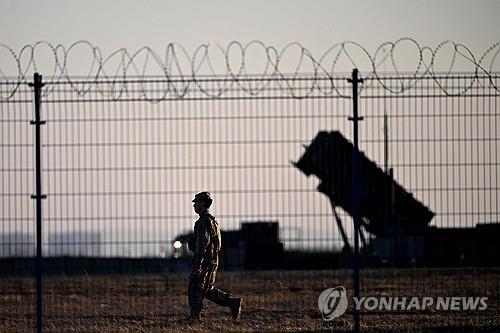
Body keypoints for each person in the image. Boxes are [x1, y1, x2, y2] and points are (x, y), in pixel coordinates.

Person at [187, 191, 242, 321]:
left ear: (202, 203)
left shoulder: (202, 222)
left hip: (204, 261)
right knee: (207, 289)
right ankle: (233, 303)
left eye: (196, 203)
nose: (194, 206)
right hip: (212, 260)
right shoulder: (213, 221)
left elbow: (202, 244)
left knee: (195, 287)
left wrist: (198, 263)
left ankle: (195, 317)